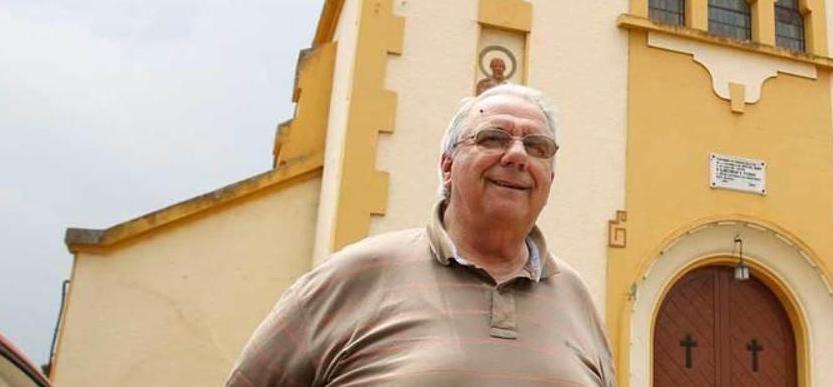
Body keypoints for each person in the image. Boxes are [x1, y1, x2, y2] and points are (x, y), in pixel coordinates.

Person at [227, 84, 615, 386]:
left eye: (537, 147)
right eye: (493, 138)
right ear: (447, 165)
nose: (517, 156)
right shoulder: (354, 275)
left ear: (550, 176)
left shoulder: (576, 297)